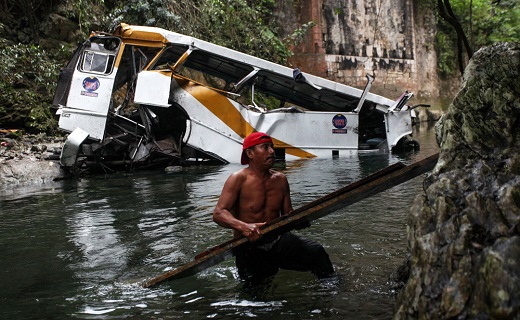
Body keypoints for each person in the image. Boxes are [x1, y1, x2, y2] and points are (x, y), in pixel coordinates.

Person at [213, 131, 334, 284]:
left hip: (279, 240)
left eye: (272, 147)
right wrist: (244, 227)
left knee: (316, 252)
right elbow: (218, 213)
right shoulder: (238, 178)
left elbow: (287, 215)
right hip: (249, 246)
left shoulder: (280, 179)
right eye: (265, 147)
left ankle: (332, 291)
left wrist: (299, 221)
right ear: (250, 153)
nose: (271, 151)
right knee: (255, 293)